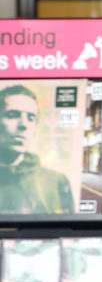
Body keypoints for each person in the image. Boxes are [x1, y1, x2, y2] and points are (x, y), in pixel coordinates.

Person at [0, 85, 75, 214]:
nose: (23, 125)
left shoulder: (55, 181)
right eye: (12, 115)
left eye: (31, 118)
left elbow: (66, 230)